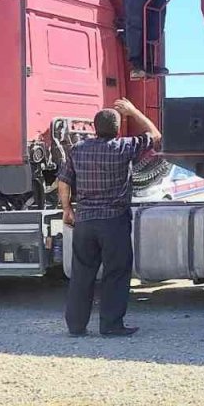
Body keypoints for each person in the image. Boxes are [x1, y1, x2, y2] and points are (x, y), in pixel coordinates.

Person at [58, 97, 163, 337]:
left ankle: (76, 326)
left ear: (95, 128)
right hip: (113, 221)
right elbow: (155, 135)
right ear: (117, 129)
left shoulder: (78, 150)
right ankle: (110, 325)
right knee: (115, 273)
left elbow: (63, 180)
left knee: (82, 273)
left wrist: (67, 209)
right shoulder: (124, 147)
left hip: (84, 221)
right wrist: (134, 111)